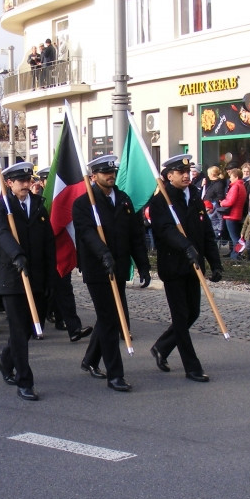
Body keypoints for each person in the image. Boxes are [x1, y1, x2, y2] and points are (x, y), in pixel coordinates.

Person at [72, 155, 151, 392]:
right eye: (105, 173)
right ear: (93, 176)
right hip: (98, 269)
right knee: (109, 319)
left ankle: (90, 359)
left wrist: (143, 265)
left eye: (112, 172)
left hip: (119, 267)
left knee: (110, 317)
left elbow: (136, 235)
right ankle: (115, 375)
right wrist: (103, 254)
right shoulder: (83, 203)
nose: (110, 176)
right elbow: (87, 233)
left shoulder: (124, 199)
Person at [148, 155, 223, 383]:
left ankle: (162, 346)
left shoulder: (195, 198)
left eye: (187, 171)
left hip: (194, 266)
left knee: (193, 313)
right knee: (181, 317)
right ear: (169, 176)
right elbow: (165, 230)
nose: (185, 175)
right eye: (180, 172)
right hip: (174, 266)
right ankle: (192, 367)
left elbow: (206, 233)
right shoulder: (161, 201)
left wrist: (215, 263)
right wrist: (186, 246)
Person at [0, 162, 55, 400]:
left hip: (37, 277)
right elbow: (1, 234)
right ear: (9, 183)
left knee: (29, 328)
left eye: (29, 180)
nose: (27, 184)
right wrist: (17, 255)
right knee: (18, 329)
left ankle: (5, 360)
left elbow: (48, 243)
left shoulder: (38, 206)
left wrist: (51, 277)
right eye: (21, 181)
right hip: (13, 278)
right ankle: (24, 381)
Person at [218, 167, 246, 257]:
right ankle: (235, 254)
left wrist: (222, 203)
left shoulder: (235, 186)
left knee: (234, 237)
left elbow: (230, 201)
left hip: (231, 214)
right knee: (234, 236)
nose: (230, 178)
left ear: (236, 177)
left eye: (231, 176)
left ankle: (236, 255)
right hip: (236, 214)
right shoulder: (241, 185)